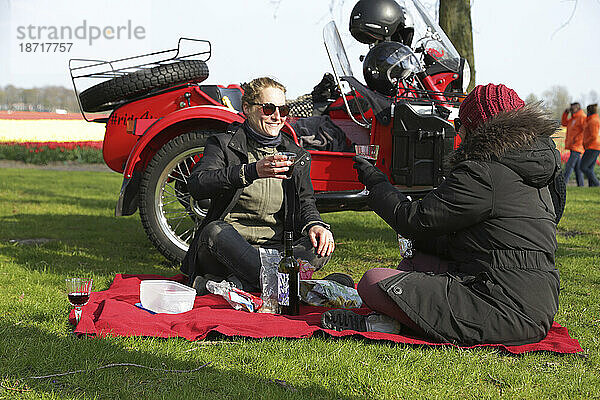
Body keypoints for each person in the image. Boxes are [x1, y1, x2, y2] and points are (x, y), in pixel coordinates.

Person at [321, 83, 564, 346]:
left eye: (459, 121)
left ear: (475, 127)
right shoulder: (540, 168)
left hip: (504, 308)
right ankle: (397, 315)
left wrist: (376, 183)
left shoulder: (484, 171)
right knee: (417, 260)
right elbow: (490, 237)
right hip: (535, 299)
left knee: (371, 282)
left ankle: (387, 322)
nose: (456, 129)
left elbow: (413, 220)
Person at [180, 77, 335, 293]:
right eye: (269, 108)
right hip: (229, 249)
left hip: (276, 250)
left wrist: (315, 225)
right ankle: (287, 286)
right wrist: (251, 171)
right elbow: (197, 184)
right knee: (213, 231)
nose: (278, 116)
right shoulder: (223, 144)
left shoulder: (296, 155)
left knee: (320, 245)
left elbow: (306, 203)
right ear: (247, 108)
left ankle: (238, 285)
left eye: (284, 109)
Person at [562, 102, 586, 186]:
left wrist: (577, 140)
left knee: (569, 166)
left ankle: (563, 183)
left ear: (577, 108)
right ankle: (581, 185)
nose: (571, 109)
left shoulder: (582, 117)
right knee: (577, 168)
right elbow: (564, 123)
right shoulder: (573, 118)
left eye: (572, 108)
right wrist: (566, 113)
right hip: (574, 146)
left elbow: (585, 131)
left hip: (577, 146)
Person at [580, 104, 600, 187]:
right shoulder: (592, 120)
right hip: (594, 146)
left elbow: (593, 136)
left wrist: (585, 143)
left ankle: (597, 184)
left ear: (589, 111)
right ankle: (591, 187)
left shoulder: (593, 121)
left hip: (592, 147)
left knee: (583, 167)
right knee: (590, 168)